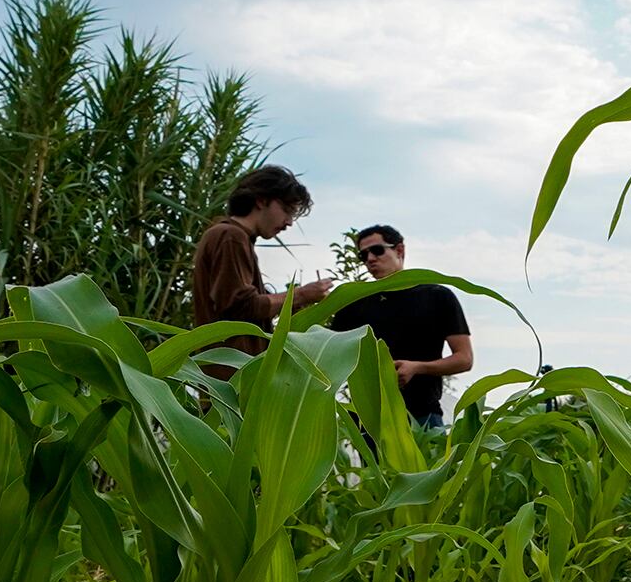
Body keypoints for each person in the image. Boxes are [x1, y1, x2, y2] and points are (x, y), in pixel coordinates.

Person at [330, 224, 472, 429]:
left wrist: (417, 367)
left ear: (399, 250)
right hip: (369, 421)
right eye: (363, 255)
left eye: (377, 250)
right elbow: (330, 357)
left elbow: (464, 359)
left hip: (422, 418)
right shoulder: (352, 304)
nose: (370, 259)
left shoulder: (437, 296)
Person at [191, 165, 334, 357]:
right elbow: (240, 307)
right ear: (261, 200)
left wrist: (292, 305)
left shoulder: (233, 237)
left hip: (232, 368)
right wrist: (300, 295)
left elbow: (247, 305)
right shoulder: (230, 236)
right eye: (286, 210)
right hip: (231, 372)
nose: (289, 222)